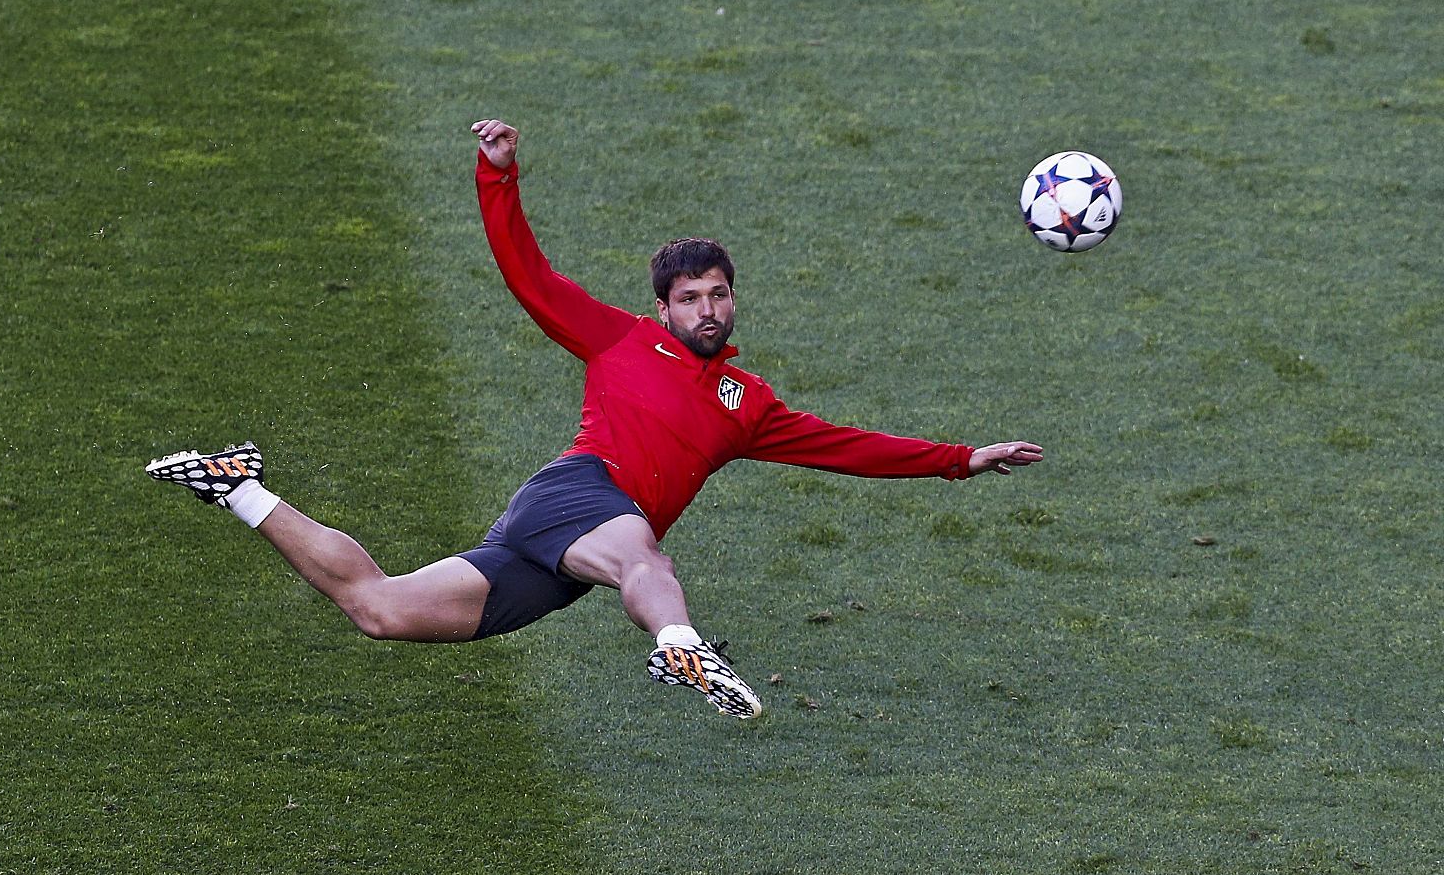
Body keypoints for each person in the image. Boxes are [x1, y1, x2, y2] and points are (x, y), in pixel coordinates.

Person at [146, 118, 1044, 719]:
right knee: (645, 557)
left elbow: (847, 448)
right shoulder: (618, 341)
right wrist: (498, 179)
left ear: (734, 303)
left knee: (379, 609)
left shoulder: (749, 405)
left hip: (556, 557)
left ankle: (240, 489)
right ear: (662, 308)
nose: (707, 309)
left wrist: (963, 459)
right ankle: (682, 646)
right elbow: (530, 278)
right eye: (690, 297)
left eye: (719, 295)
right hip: (578, 495)